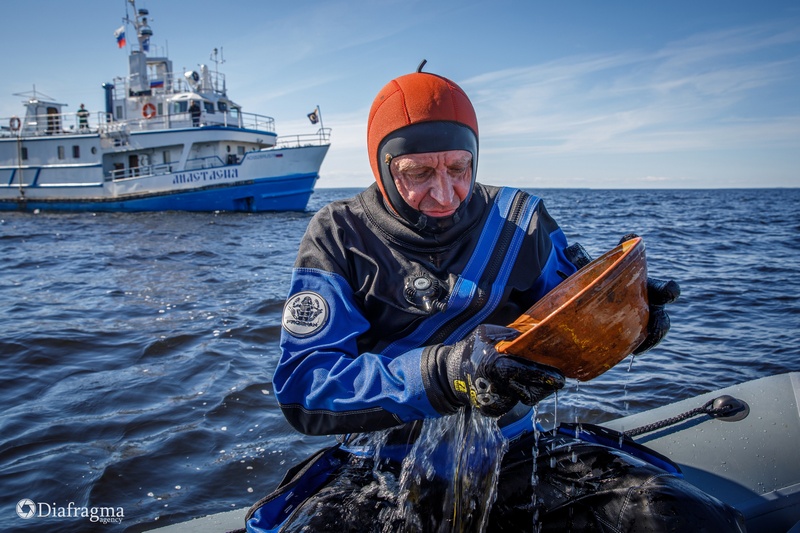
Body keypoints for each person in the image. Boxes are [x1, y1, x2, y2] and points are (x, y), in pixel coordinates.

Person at [264, 65, 745, 532]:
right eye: (418, 173)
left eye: (458, 168)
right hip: (383, 463)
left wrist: (624, 320)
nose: (444, 193)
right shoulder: (339, 233)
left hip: (514, 451)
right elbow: (306, 386)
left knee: (677, 515)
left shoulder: (520, 222)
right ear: (383, 166)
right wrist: (445, 373)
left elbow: (569, 322)